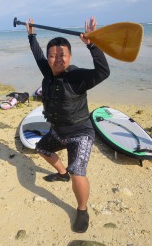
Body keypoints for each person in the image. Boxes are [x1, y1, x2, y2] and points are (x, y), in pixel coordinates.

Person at [25, 17, 110, 233]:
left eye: (62, 55)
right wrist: (31, 35)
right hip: (58, 131)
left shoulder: (76, 77)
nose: (57, 59)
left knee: (78, 171)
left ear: (70, 56)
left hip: (80, 132)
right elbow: (37, 56)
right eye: (53, 56)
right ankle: (61, 173)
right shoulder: (48, 72)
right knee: (41, 148)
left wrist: (92, 45)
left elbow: (103, 72)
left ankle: (82, 209)